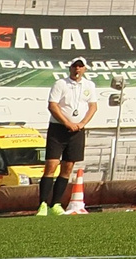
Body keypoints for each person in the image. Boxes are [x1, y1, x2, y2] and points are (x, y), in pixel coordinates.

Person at [37, 56, 99, 215]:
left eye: (80, 67)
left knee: (68, 167)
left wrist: (82, 123)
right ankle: (42, 204)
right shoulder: (60, 83)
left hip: (77, 130)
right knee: (51, 165)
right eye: (74, 66)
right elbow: (52, 105)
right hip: (58, 129)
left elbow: (93, 106)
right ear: (70, 67)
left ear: (85, 68)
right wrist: (66, 122)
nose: (77, 69)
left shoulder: (89, 85)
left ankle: (55, 204)